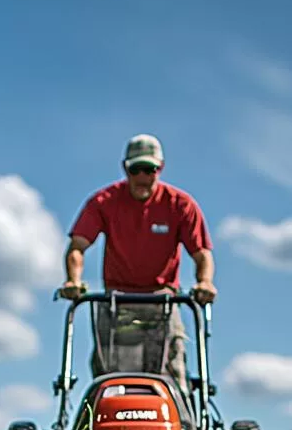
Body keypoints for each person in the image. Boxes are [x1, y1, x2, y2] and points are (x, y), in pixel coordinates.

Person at [59, 134, 216, 394]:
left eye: (150, 170)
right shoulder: (105, 202)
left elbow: (201, 253)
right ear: (125, 168)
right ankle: (102, 426)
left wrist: (205, 283)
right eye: (136, 170)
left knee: (171, 367)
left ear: (160, 169)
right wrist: (73, 281)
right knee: (109, 370)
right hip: (116, 300)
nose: (142, 176)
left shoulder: (180, 205)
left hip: (164, 299)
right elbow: (77, 246)